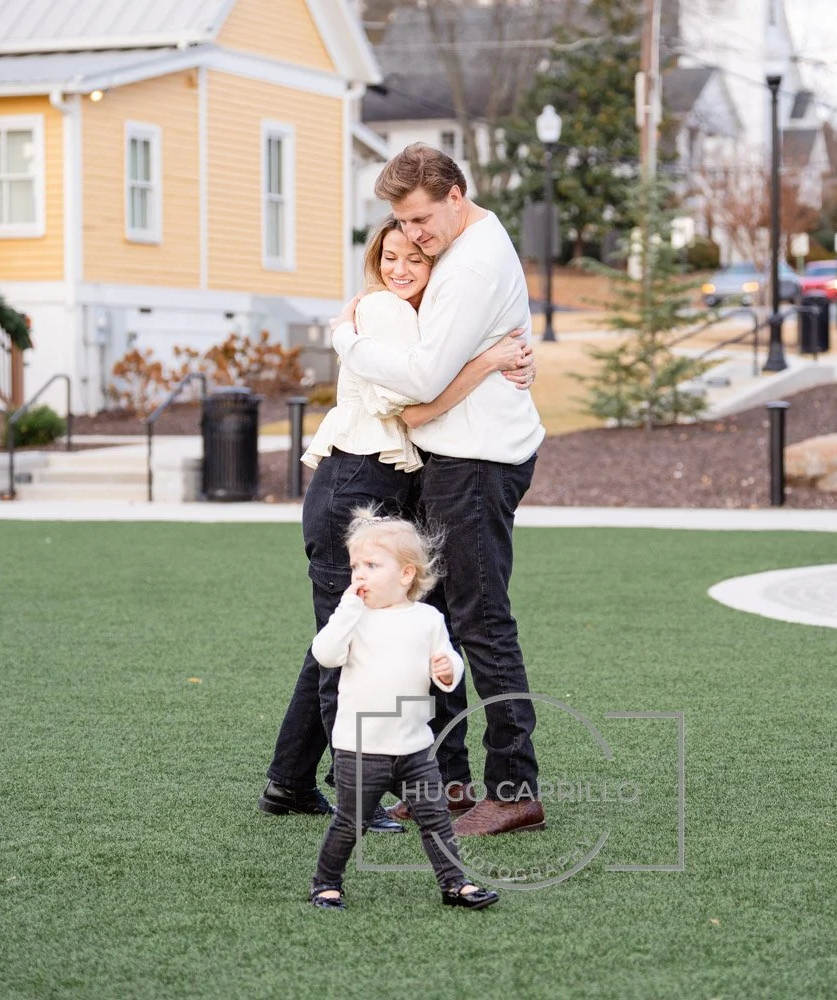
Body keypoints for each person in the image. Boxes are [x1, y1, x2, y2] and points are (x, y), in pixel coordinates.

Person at [257, 217, 533, 829]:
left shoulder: (418, 317)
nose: (399, 268)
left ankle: (289, 780)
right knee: (348, 643)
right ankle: (355, 798)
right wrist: (489, 361)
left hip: (381, 490)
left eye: (414, 257)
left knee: (343, 632)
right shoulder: (382, 315)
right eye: (389, 256)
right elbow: (416, 406)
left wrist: (507, 363)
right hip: (354, 491)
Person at [330, 143, 546, 837]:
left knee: (481, 623)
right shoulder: (465, 246)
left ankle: (513, 789)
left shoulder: (473, 261)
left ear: (456, 195)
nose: (414, 234)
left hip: (477, 462)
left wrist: (346, 341)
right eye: (402, 221)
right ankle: (449, 781)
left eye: (423, 217)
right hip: (455, 458)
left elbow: (420, 379)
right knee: (444, 622)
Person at [308, 509, 498, 911]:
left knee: (436, 819)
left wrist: (447, 669)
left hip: (415, 747)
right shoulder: (354, 620)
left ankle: (455, 883)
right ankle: (326, 882)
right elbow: (324, 654)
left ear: (406, 574)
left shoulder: (428, 619)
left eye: (372, 565)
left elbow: (449, 666)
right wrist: (346, 610)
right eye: (355, 565)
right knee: (351, 821)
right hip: (361, 747)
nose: (359, 574)